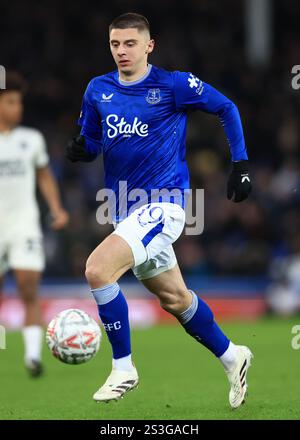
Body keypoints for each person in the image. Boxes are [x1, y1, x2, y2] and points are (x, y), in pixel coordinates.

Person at [66, 12, 253, 408]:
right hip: (122, 210)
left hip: (163, 206)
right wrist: (83, 150)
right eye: (115, 44)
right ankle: (232, 355)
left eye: (130, 43)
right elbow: (93, 141)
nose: (122, 51)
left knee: (97, 270)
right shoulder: (97, 89)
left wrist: (239, 165)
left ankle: (123, 368)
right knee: (175, 299)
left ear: (149, 45)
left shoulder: (173, 85)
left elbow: (227, 108)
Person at [0, 72, 69, 377]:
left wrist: (56, 208)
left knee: (29, 288)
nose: (18, 108)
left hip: (24, 226)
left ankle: (32, 357)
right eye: (11, 102)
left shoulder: (32, 139)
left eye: (19, 102)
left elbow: (44, 176)